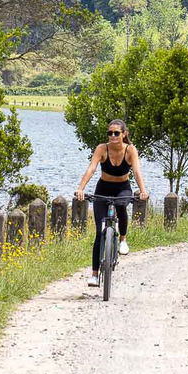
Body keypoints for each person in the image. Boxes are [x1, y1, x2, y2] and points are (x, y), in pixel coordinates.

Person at [73, 119, 150, 288]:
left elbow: (136, 171)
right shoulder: (102, 148)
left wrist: (143, 191)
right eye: (110, 133)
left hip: (122, 188)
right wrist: (80, 188)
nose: (113, 136)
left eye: (116, 133)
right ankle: (94, 274)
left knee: (122, 205)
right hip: (103, 187)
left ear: (124, 134)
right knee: (99, 232)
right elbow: (91, 169)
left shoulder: (130, 150)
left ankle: (122, 239)